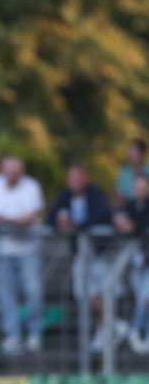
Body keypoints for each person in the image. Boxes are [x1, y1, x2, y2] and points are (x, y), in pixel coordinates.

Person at [47, 164, 118, 351]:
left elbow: (101, 215)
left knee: (102, 291)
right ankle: (108, 326)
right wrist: (60, 223)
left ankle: (108, 327)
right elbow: (51, 217)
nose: (75, 182)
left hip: (98, 251)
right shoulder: (65, 196)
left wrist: (76, 225)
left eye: (78, 178)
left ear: (85, 178)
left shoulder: (95, 194)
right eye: (71, 178)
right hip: (80, 252)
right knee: (82, 292)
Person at [0, 157, 44, 356]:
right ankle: (13, 335)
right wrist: (12, 220)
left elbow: (29, 218)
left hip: (28, 250)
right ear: (3, 171)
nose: (13, 174)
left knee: (33, 291)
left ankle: (34, 333)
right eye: (10, 171)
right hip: (2, 251)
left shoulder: (32, 187)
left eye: (17, 171)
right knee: (5, 295)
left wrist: (3, 219)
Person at [113, 174, 149, 353]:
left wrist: (133, 226)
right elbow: (117, 218)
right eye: (137, 187)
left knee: (145, 298)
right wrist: (122, 222)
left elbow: (141, 224)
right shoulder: (131, 205)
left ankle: (134, 329)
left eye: (143, 187)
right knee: (141, 298)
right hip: (137, 261)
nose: (140, 190)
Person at [114, 139, 149, 206]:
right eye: (129, 153)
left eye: (132, 153)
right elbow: (119, 194)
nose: (129, 155)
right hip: (128, 208)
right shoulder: (124, 172)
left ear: (142, 155)